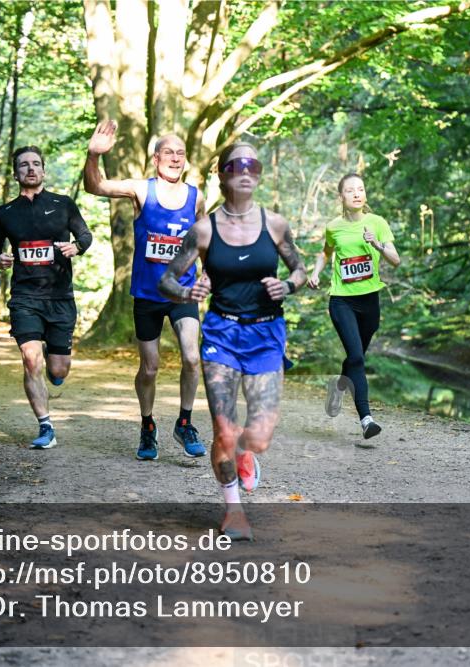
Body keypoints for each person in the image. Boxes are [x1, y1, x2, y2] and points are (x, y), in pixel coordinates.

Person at [158, 142, 306, 541]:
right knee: (224, 430)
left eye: (253, 164)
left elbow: (299, 269)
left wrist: (287, 286)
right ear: (222, 174)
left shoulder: (275, 225)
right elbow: (167, 280)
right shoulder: (203, 230)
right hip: (221, 334)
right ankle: (234, 510)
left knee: (259, 436)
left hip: (266, 334)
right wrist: (186, 293)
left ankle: (245, 452)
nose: (246, 170)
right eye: (237, 164)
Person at [84, 120, 208, 461]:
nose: (175, 158)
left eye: (180, 153)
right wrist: (93, 156)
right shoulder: (141, 190)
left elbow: (205, 240)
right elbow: (95, 187)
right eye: (168, 152)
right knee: (150, 367)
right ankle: (147, 425)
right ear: (156, 158)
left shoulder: (196, 196)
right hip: (147, 296)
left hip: (182, 294)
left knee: (192, 357)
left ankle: (185, 423)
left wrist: (208, 275)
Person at [0, 146, 93, 449]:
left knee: (58, 371)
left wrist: (77, 247)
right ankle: (46, 426)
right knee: (30, 360)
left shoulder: (63, 204)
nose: (30, 169)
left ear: (44, 170)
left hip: (60, 297)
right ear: (15, 173)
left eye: (35, 164)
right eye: (24, 165)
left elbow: (85, 235)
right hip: (25, 296)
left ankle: (52, 357)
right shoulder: (5, 213)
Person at [306, 173, 401, 439]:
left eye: (360, 189)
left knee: (355, 357)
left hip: (370, 301)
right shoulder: (333, 227)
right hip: (342, 300)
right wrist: (316, 273)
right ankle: (366, 420)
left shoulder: (377, 223)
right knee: (357, 357)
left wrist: (377, 244)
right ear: (341, 197)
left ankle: (338, 387)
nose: (357, 193)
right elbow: (326, 253)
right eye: (350, 190)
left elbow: (395, 260)